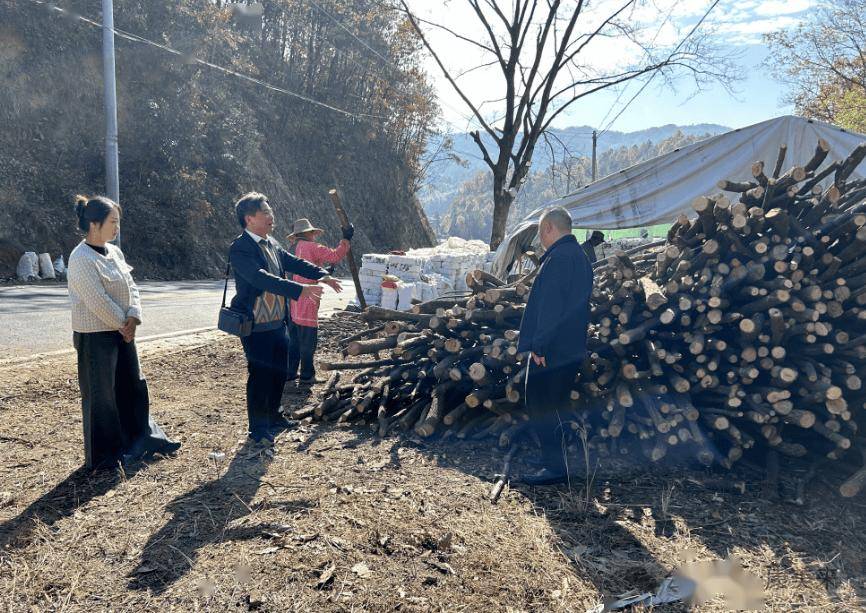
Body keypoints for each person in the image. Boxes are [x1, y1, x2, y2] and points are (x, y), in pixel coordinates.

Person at [67, 195, 181, 470]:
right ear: (95, 224)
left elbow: (132, 286)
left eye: (118, 222)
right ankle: (107, 455)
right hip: (95, 336)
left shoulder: (114, 252)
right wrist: (123, 323)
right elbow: (96, 300)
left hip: (122, 330)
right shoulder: (80, 258)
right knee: (101, 396)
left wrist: (134, 316)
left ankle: (145, 438)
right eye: (113, 222)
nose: (117, 227)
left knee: (134, 385)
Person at [228, 192, 342, 445]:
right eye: (265, 212)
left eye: (270, 211)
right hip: (255, 324)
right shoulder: (240, 248)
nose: (272, 216)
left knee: (279, 371)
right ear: (249, 218)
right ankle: (258, 428)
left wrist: (321, 274)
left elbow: (292, 262)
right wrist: (299, 290)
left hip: (279, 320)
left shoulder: (271, 242)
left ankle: (274, 416)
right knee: (260, 374)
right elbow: (259, 278)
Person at [518, 207, 593, 485]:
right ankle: (553, 459)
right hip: (569, 347)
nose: (540, 238)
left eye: (540, 232)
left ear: (549, 227)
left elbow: (551, 307)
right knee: (554, 403)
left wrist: (539, 346)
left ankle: (554, 467)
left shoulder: (560, 258)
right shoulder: (579, 257)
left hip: (553, 350)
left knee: (541, 402)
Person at [286, 218, 354, 386]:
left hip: (291, 295)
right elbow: (335, 255)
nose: (314, 236)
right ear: (308, 233)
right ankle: (307, 375)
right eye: (312, 233)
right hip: (308, 296)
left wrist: (324, 273)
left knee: (294, 338)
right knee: (308, 338)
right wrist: (346, 239)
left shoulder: (291, 248)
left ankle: (290, 374)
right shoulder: (312, 247)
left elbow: (303, 270)